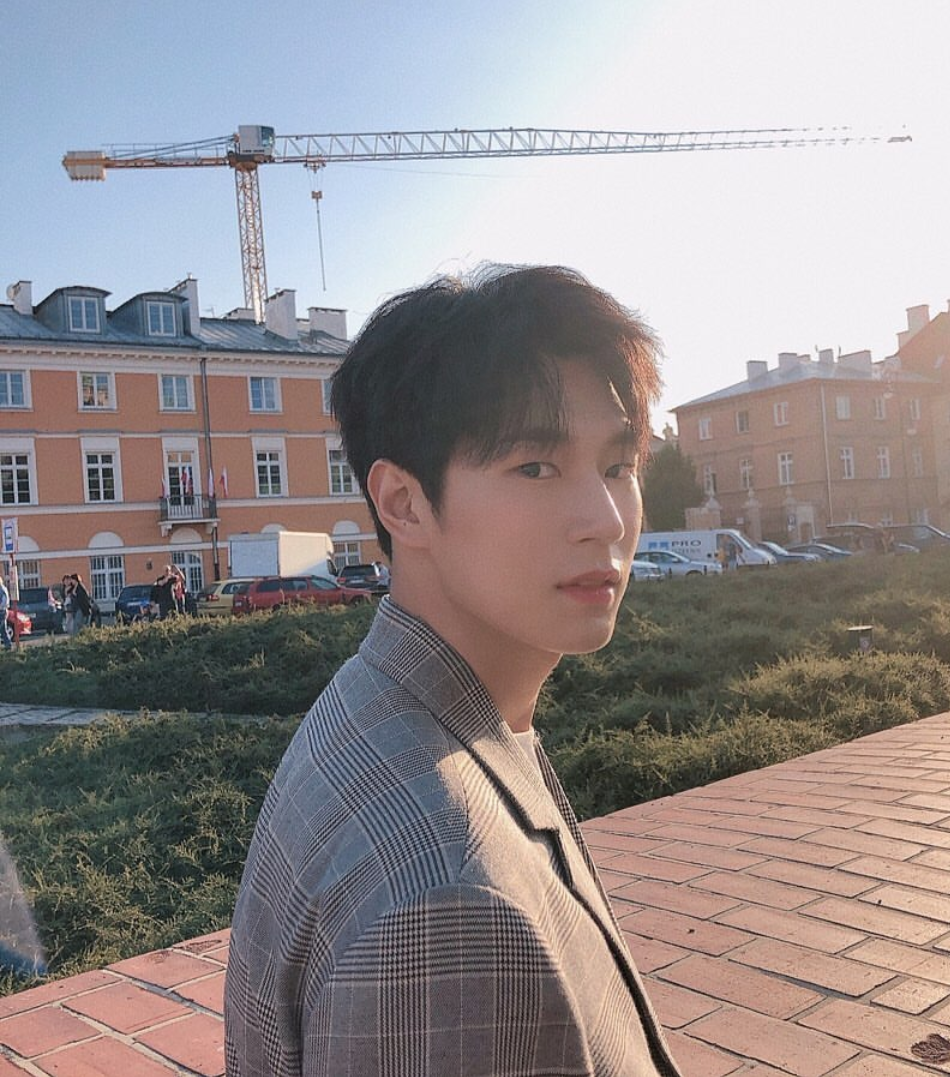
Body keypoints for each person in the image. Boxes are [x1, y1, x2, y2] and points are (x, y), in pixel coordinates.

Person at [225, 265, 681, 1077]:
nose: (606, 519)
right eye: (535, 467)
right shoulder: (449, 900)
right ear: (403, 503)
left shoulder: (385, 706)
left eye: (618, 466)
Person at [0, 572, 11, 652]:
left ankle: (8, 645)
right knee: (3, 629)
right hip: (2, 611)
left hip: (2, 611)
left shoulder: (2, 589)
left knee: (3, 628)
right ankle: (8, 645)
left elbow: (4, 601)